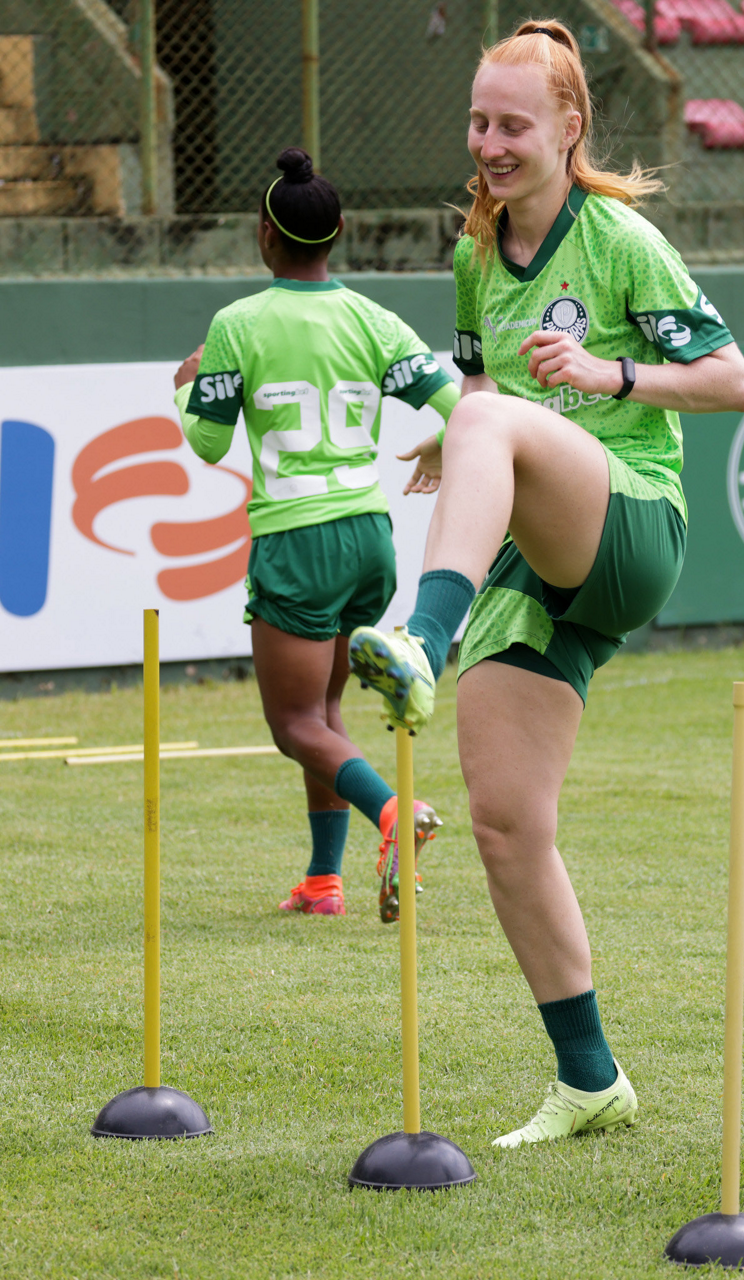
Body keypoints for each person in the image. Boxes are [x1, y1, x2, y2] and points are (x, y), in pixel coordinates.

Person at [350, 20, 744, 1146]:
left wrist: (606, 372)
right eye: (478, 121)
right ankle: (590, 1079)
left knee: (486, 423)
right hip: (539, 557)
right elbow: (481, 386)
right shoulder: (474, 253)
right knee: (505, 821)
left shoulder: (621, 240)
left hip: (632, 522)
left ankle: (422, 638)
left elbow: (732, 379)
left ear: (570, 126)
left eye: (513, 125)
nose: (490, 143)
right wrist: (454, 438)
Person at [172, 147, 458, 923]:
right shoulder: (375, 319)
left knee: (293, 724)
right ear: (339, 232)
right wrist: (441, 444)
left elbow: (207, 443)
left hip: (298, 538)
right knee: (325, 714)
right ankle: (323, 881)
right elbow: (463, 406)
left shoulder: (238, 324)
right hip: (369, 536)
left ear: (265, 235)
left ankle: (396, 811)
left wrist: (186, 387)